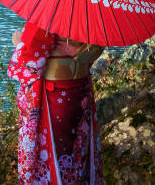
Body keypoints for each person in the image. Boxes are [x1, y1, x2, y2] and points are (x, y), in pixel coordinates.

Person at [8, 22, 105, 185]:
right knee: (77, 154)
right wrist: (75, 52)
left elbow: (32, 66)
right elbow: (91, 54)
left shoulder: (49, 13)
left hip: (54, 95)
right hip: (81, 92)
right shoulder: (90, 13)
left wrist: (19, 44)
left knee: (55, 157)